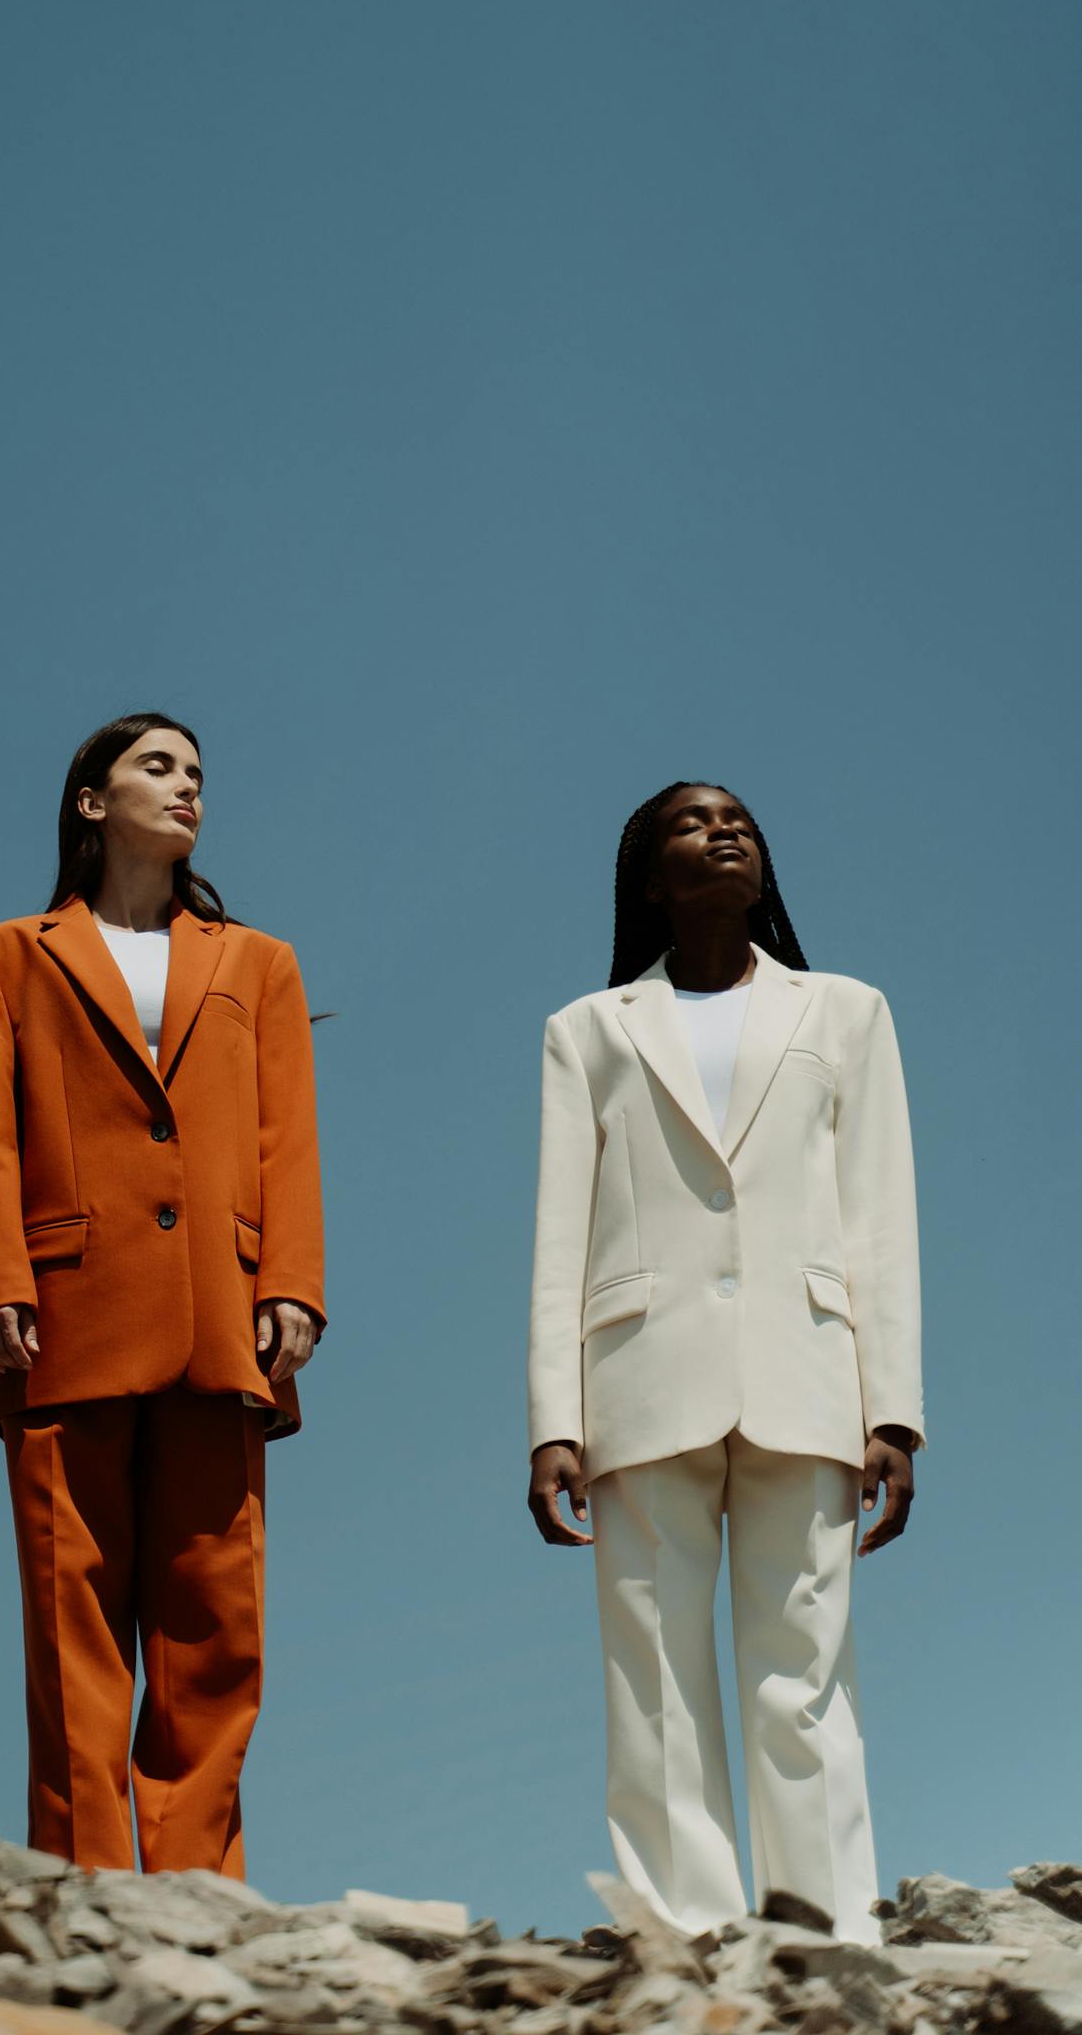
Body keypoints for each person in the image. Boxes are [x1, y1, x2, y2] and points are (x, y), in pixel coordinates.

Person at [527, 781, 924, 1943]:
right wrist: (554, 1419)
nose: (725, 830)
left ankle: (827, 1933)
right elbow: (560, 1235)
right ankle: (685, 1937)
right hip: (638, 1382)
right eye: (693, 824)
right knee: (653, 1677)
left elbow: (880, 1217)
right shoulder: (588, 1031)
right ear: (652, 879)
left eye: (740, 820)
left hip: (811, 1372)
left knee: (805, 1671)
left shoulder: (847, 1012)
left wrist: (895, 1409)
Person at [0, 712, 326, 1876]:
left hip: (223, 1317)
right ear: (91, 800)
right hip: (66, 1319)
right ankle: (86, 1887)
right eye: (156, 767)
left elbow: (286, 1136)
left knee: (217, 1629)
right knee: (74, 1633)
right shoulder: (1, 959)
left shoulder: (259, 963)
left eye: (196, 772)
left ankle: (200, 1894)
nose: (185, 785)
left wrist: (293, 1282)